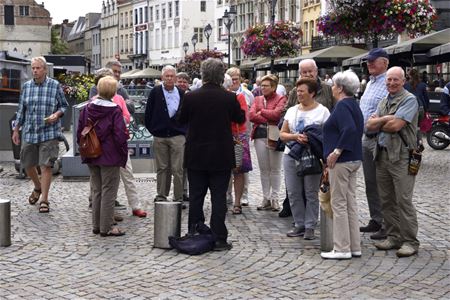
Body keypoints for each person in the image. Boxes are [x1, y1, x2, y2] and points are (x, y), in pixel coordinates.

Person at [178, 58, 245, 251]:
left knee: (196, 196)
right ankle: (219, 237)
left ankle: (195, 231)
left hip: (196, 154)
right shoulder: (229, 97)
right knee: (218, 198)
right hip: (221, 155)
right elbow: (239, 118)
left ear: (203, 74)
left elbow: (181, 119)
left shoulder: (191, 97)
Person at [366, 67, 420, 258]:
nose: (391, 83)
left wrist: (380, 121)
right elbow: (369, 125)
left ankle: (410, 241)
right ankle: (393, 236)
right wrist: (385, 119)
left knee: (403, 200)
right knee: (386, 199)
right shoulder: (383, 101)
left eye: (396, 80)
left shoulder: (409, 100)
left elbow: (396, 125)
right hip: (381, 155)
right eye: (389, 80)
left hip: (402, 156)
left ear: (403, 81)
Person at [12, 56, 69, 213]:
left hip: (49, 133)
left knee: (46, 165)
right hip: (30, 132)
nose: (35, 71)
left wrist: (56, 115)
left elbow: (64, 106)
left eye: (38, 68)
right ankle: (37, 187)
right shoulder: (27, 87)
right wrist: (16, 129)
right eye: (33, 68)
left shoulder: (54, 85)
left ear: (44, 69)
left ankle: (44, 199)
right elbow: (21, 110)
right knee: (28, 164)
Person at [279, 58, 334, 218]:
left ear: (316, 71)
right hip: (295, 147)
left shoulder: (327, 89)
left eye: (311, 71)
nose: (308, 74)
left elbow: (333, 114)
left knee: (312, 188)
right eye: (304, 72)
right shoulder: (296, 91)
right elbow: (286, 111)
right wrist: (290, 126)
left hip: (316, 146)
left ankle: (310, 221)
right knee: (294, 187)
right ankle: (296, 217)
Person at [90, 68, 147, 218]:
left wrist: (118, 122)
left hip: (120, 144)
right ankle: (107, 212)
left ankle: (135, 205)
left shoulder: (119, 99)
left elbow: (127, 117)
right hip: (103, 146)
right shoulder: (94, 100)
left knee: (127, 174)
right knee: (106, 181)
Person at [77, 76, 129, 236]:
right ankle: (106, 227)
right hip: (109, 155)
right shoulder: (114, 110)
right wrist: (124, 150)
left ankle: (96, 225)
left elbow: (80, 130)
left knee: (97, 191)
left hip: (92, 153)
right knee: (109, 191)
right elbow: (120, 135)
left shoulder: (87, 108)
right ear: (113, 92)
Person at [320, 70, 364, 260]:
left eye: (334, 86)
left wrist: (336, 151)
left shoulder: (342, 106)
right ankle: (354, 246)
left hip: (342, 161)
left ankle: (341, 248)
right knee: (350, 203)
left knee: (339, 203)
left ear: (339, 88)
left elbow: (349, 129)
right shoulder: (354, 104)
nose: (332, 88)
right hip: (354, 158)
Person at [359, 48, 389, 240]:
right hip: (365, 139)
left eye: (373, 61)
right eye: (368, 61)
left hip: (380, 140)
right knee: (370, 182)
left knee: (383, 183)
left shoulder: (389, 82)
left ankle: (387, 223)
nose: (369, 64)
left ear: (385, 62)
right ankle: (376, 219)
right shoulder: (370, 83)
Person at [144, 65, 186, 204]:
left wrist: (183, 131)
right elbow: (148, 113)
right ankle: (161, 195)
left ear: (175, 78)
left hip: (177, 135)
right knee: (162, 168)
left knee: (178, 168)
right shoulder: (155, 92)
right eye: (166, 76)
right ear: (162, 77)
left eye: (171, 76)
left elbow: (186, 114)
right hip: (160, 135)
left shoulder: (181, 92)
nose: (169, 78)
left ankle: (178, 197)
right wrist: (154, 130)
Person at [249, 74, 287, 211]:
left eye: (266, 86)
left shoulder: (281, 98)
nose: (263, 88)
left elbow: (277, 115)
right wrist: (267, 115)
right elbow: (251, 115)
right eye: (262, 85)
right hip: (259, 135)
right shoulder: (257, 98)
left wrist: (261, 112)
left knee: (275, 168)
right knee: (264, 169)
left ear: (274, 87)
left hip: (274, 135)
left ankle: (275, 198)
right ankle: (266, 197)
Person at [223, 74, 252, 215]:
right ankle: (224, 198)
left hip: (236, 136)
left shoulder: (238, 97)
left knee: (238, 170)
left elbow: (242, 118)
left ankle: (237, 202)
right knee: (222, 171)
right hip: (221, 136)